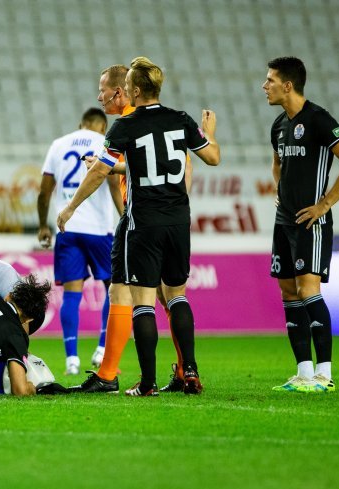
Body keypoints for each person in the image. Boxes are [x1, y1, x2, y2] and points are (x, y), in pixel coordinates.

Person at [58, 56, 220, 397]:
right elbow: (187, 165)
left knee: (133, 295)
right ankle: (184, 370)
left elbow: (109, 170)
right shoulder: (176, 120)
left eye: (103, 91)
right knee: (171, 296)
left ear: (124, 92)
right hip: (175, 219)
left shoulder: (127, 126)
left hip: (142, 221)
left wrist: (71, 207)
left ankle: (117, 376)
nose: (99, 98)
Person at [262, 57, 339, 393]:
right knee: (288, 292)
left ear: (287, 85)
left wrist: (325, 204)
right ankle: (303, 374)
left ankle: (325, 374)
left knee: (308, 291)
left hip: (310, 222)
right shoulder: (278, 125)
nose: (265, 86)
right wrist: (280, 190)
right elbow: (277, 163)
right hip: (283, 221)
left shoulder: (318, 119)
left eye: (270, 80)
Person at [37, 107, 121, 376]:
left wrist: (42, 225)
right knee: (114, 287)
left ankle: (71, 359)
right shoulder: (105, 143)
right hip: (100, 229)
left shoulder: (59, 144)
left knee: (72, 294)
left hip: (67, 227)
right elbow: (110, 181)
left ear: (80, 124)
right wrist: (124, 217)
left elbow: (44, 190)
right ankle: (101, 349)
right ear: (103, 127)